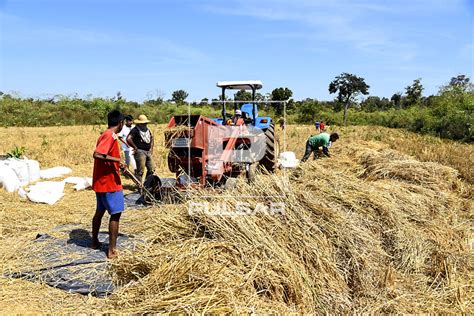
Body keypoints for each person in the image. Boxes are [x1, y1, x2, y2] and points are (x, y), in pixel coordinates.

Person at [91, 110, 126, 259]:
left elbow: (105, 157)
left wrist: (117, 164)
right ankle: (111, 251)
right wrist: (118, 160)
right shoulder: (110, 135)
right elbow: (98, 154)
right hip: (109, 183)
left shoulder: (106, 135)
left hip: (101, 182)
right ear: (121, 123)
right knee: (116, 214)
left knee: (100, 211)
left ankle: (94, 242)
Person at [126, 114, 155, 183]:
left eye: (145, 123)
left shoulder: (147, 130)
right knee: (140, 171)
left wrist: (151, 148)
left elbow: (151, 138)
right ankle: (140, 186)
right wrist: (135, 147)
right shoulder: (135, 130)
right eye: (143, 123)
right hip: (140, 151)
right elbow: (128, 139)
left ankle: (147, 184)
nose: (145, 124)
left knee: (152, 169)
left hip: (148, 151)